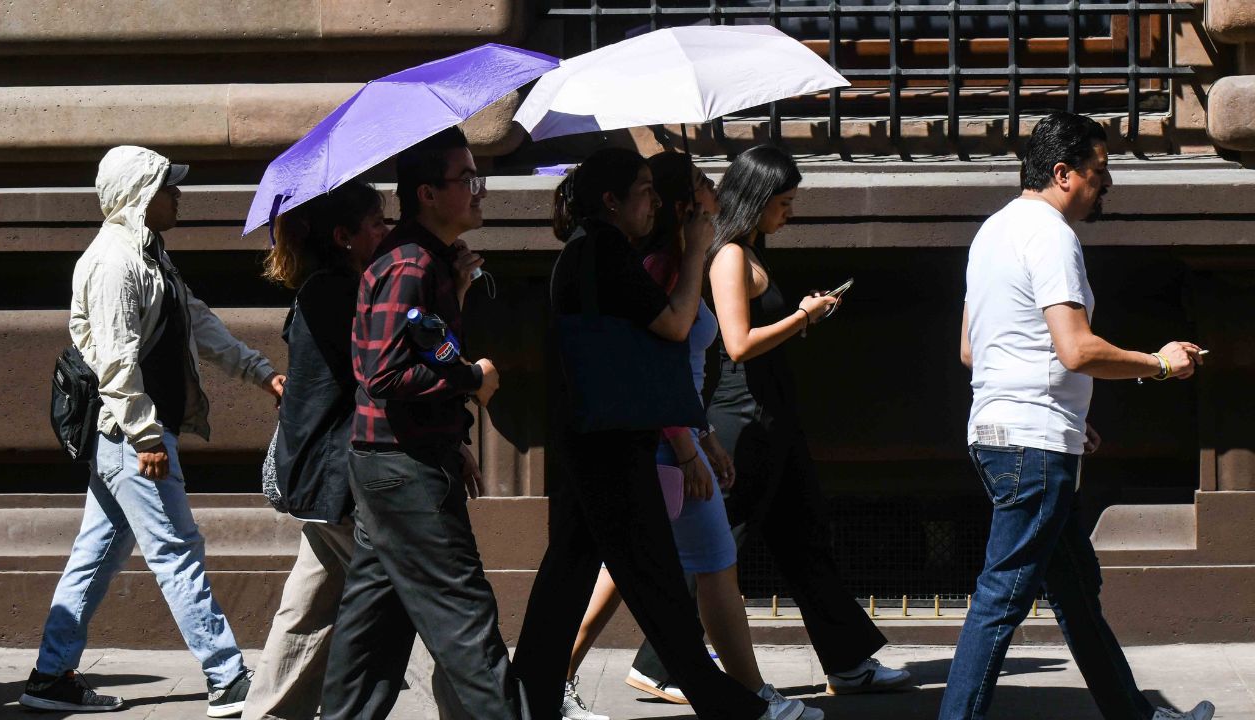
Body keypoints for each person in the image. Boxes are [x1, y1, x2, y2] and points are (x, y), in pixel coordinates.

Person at [513, 147, 818, 720]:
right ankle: (735, 705)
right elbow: (671, 332)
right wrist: (687, 441)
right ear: (612, 201)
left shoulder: (598, 250)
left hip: (603, 437)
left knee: (586, 577)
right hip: (617, 441)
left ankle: (526, 696)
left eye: (657, 191)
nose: (652, 203)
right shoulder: (604, 250)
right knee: (655, 590)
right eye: (644, 192)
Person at [942, 111, 1215, 720]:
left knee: (1075, 593)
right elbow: (1077, 347)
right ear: (1063, 174)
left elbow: (971, 349)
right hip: (1031, 447)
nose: (1106, 182)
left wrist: (1063, 404)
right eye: (1099, 171)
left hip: (1005, 433)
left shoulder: (991, 231)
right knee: (1001, 598)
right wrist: (1160, 363)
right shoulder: (1050, 235)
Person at [19, 146, 285, 717]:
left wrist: (260, 373)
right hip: (129, 434)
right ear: (139, 193)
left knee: (96, 553)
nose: (178, 195)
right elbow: (116, 362)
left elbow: (199, 321)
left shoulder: (149, 253)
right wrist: (143, 436)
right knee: (176, 549)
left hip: (132, 432)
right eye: (168, 186)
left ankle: (49, 678)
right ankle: (226, 677)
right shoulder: (115, 262)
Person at [693, 144, 910, 698]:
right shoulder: (730, 256)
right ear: (758, 199)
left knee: (805, 536)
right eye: (784, 202)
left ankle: (848, 663)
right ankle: (661, 661)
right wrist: (802, 316)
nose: (789, 212)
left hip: (773, 420)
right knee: (720, 544)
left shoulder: (750, 250)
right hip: (745, 422)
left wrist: (801, 317)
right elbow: (738, 345)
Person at [319, 126, 514, 720]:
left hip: (397, 464)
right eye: (467, 180)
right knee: (466, 626)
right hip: (404, 475)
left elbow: (417, 351)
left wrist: (451, 292)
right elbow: (381, 375)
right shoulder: (408, 262)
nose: (480, 191)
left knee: (372, 633)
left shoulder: (423, 260)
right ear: (427, 193)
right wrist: (471, 380)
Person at [242, 181, 388, 720]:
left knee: (308, 608)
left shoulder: (329, 287)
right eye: (377, 221)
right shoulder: (338, 293)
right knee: (412, 604)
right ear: (344, 236)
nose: (386, 230)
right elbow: (383, 372)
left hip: (321, 481)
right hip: (339, 481)